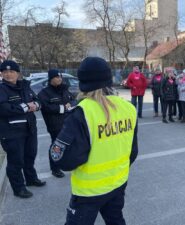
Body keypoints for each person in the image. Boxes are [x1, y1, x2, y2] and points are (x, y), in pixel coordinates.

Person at [49, 57, 138, 225]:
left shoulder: (81, 113)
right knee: (116, 221)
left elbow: (63, 160)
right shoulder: (128, 108)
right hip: (118, 183)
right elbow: (132, 152)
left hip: (88, 191)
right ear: (109, 80)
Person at [0, 60, 46, 198]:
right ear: (1, 74)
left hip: (29, 128)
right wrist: (26, 107)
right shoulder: (1, 89)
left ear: (18, 73)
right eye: (5, 72)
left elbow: (37, 101)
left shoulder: (25, 86)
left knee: (30, 155)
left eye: (12, 71)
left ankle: (31, 179)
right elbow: (3, 109)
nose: (8, 74)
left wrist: (36, 106)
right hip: (11, 132)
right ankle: (18, 188)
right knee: (16, 160)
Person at [38, 69, 76, 178]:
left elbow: (73, 100)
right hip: (54, 124)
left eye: (60, 77)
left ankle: (67, 163)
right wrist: (63, 108)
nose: (59, 79)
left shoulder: (64, 90)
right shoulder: (44, 93)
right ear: (51, 79)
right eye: (56, 77)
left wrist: (71, 104)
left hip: (68, 122)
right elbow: (46, 108)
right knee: (56, 146)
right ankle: (55, 168)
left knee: (69, 144)